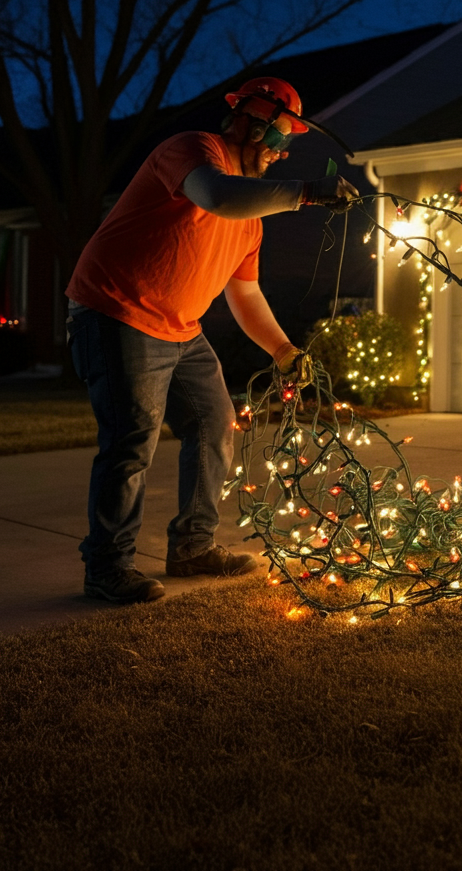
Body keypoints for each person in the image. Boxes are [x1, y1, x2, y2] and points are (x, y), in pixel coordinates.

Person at [66, 77, 359, 604]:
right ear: (251, 122)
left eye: (287, 145)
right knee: (132, 441)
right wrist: (307, 192)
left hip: (182, 329)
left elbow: (245, 295)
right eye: (279, 139)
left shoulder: (251, 220)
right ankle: (106, 567)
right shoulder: (192, 151)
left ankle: (193, 548)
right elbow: (217, 195)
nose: (279, 153)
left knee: (214, 424)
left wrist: (283, 351)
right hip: (116, 312)